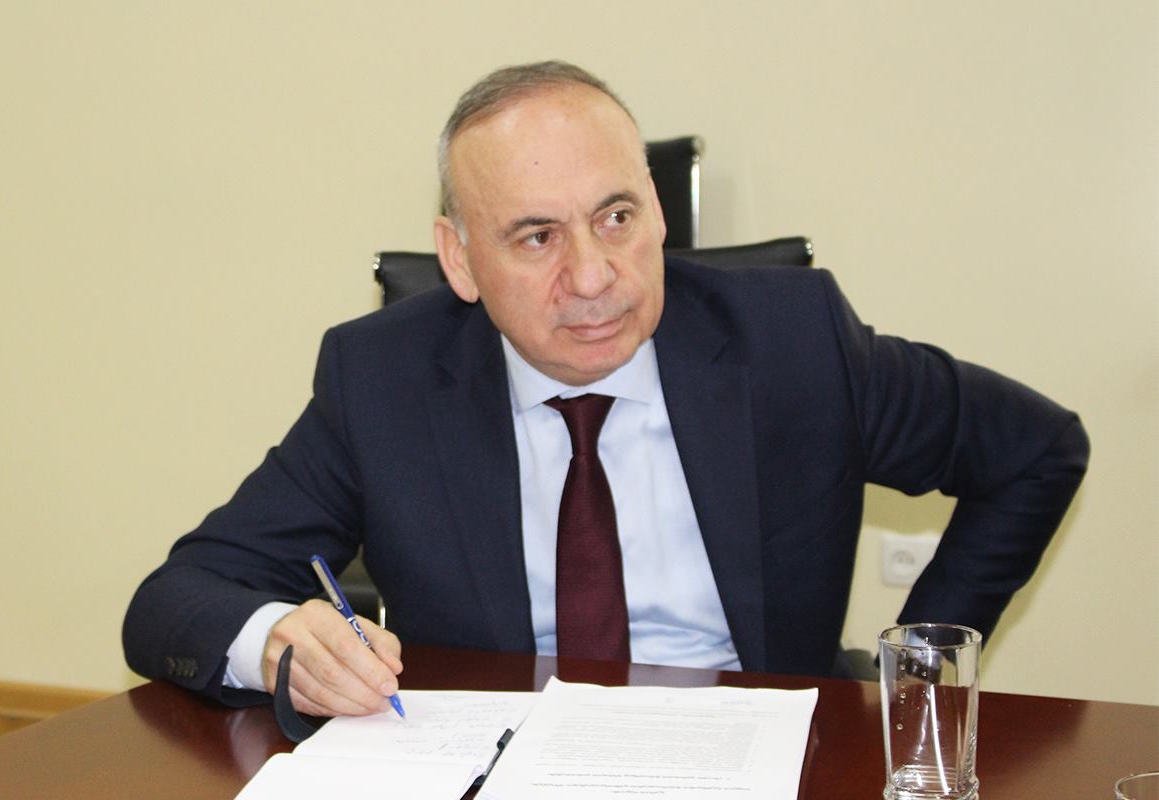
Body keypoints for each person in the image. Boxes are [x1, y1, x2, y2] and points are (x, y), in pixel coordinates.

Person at [122, 61, 1088, 717]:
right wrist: (278, 642)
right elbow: (176, 598)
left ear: (657, 211)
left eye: (616, 216)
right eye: (536, 236)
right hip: (496, 794)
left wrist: (915, 678)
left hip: (760, 775)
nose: (591, 278)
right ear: (458, 259)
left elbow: (1036, 450)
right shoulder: (383, 381)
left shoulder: (794, 343)